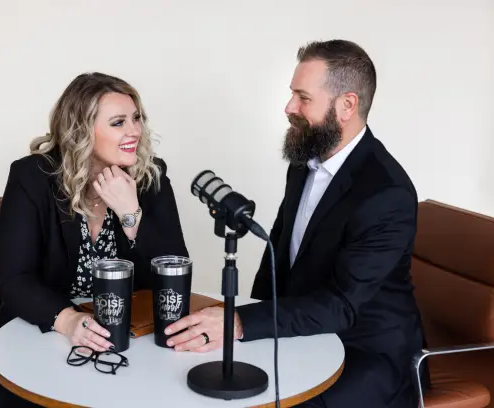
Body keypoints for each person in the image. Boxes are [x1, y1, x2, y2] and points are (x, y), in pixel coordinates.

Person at [165, 40, 429, 407]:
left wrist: (241, 322)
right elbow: (279, 253)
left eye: (303, 98)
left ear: (346, 105)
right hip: (306, 335)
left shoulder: (386, 192)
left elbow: (341, 305)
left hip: (367, 353)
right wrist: (241, 325)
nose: (289, 107)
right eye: (292, 94)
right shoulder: (304, 162)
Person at [0, 72, 189, 408]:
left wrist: (131, 214)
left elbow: (173, 275)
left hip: (126, 342)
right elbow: (15, 280)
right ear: (81, 130)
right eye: (118, 122)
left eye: (136, 118)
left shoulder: (150, 177)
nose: (134, 131)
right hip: (39, 330)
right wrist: (68, 319)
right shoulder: (33, 177)